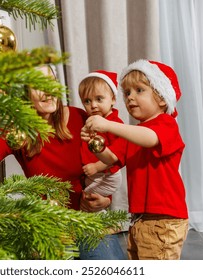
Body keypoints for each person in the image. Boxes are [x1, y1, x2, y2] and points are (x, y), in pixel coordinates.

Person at [0, 65, 121, 258]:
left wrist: (104, 199)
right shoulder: (18, 131)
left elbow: (109, 161)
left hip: (88, 220)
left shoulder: (82, 118)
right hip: (49, 227)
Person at [81, 59, 189, 260]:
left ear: (162, 98)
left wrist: (109, 126)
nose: (130, 97)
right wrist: (95, 145)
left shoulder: (166, 124)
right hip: (139, 219)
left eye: (139, 90)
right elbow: (111, 158)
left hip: (163, 219)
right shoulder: (134, 133)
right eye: (127, 93)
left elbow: (150, 139)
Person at [77, 70, 128, 260]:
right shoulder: (88, 121)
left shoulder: (114, 123)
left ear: (113, 99)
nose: (93, 105)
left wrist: (96, 167)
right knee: (91, 197)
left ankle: (105, 222)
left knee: (87, 197)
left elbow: (116, 155)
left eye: (99, 99)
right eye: (87, 102)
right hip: (97, 175)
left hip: (108, 175)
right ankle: (103, 220)